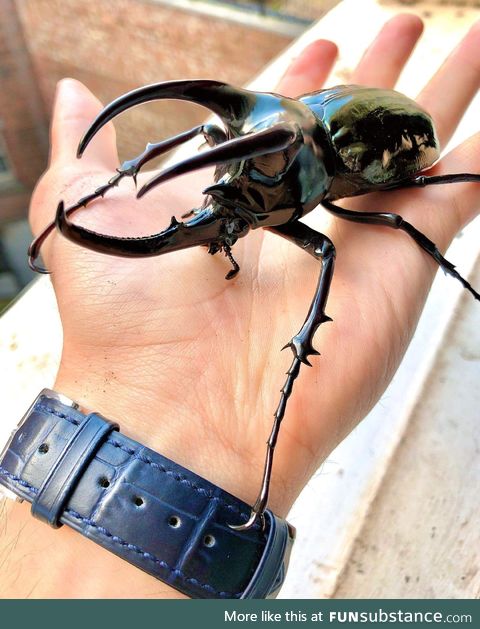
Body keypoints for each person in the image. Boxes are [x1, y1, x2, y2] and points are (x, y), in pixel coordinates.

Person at [1, 14, 479, 598]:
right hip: (313, 118)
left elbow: (343, 237)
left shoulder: (337, 174)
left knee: (374, 229)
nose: (225, 219)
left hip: (384, 135)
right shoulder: (265, 140)